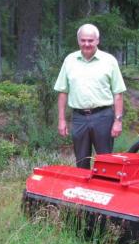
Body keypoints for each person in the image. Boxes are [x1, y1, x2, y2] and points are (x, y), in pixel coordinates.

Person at [54, 23, 127, 169]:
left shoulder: (109, 61)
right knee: (81, 161)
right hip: (79, 118)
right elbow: (63, 92)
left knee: (106, 161)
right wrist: (61, 120)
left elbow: (118, 94)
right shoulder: (69, 60)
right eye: (83, 40)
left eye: (90, 40)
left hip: (103, 117)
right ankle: (84, 190)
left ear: (97, 41)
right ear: (78, 41)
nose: (87, 44)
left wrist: (118, 121)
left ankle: (106, 189)